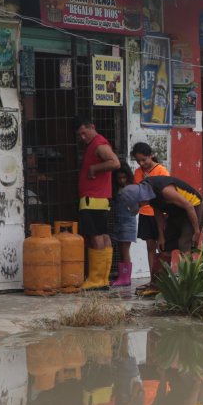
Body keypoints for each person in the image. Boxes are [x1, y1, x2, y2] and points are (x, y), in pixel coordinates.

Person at [117, 175, 203, 275]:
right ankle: (160, 283)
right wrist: (161, 236)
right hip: (175, 212)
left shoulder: (165, 191)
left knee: (184, 243)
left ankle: (185, 282)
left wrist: (196, 230)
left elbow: (188, 206)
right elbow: (158, 213)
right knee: (164, 245)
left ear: (140, 198)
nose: (141, 207)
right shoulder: (148, 193)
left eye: (139, 205)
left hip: (193, 207)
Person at [76, 119, 121, 290]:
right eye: (79, 134)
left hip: (92, 199)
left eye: (84, 132)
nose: (82, 137)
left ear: (92, 127)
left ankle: (96, 279)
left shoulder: (98, 143)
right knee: (103, 235)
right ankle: (103, 278)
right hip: (100, 198)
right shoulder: (96, 143)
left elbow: (115, 163)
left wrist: (94, 169)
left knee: (95, 236)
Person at [130, 142, 169, 293]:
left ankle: (163, 279)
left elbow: (165, 193)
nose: (142, 163)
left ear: (151, 155)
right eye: (138, 161)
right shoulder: (138, 172)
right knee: (150, 246)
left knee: (162, 246)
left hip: (160, 214)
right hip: (145, 213)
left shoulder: (161, 170)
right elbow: (139, 193)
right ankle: (153, 279)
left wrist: (149, 182)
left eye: (144, 160)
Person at [109, 168, 136, 287]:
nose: (121, 180)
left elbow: (135, 208)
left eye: (124, 178)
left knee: (125, 250)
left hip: (127, 222)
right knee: (121, 250)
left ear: (128, 177)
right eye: (119, 178)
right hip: (119, 222)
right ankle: (122, 277)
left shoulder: (130, 189)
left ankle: (125, 278)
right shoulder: (117, 190)